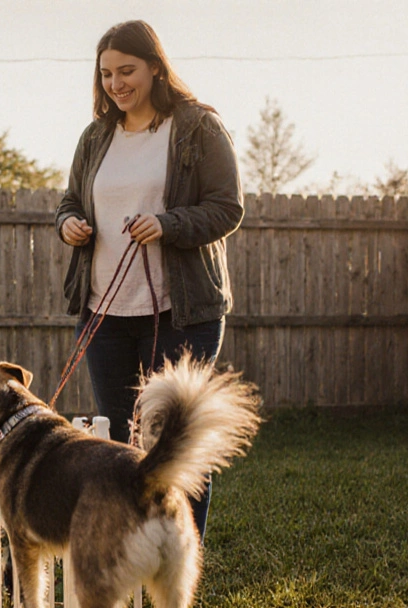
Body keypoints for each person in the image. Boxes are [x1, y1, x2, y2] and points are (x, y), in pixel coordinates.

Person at [55, 20, 244, 541]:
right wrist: (67, 223)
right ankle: (130, 561)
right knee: (116, 445)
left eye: (127, 70)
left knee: (174, 444)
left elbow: (227, 209)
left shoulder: (198, 127)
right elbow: (71, 200)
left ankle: (179, 558)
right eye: (107, 74)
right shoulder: (95, 136)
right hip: (104, 312)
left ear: (156, 67)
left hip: (181, 312)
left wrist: (167, 224)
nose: (116, 83)